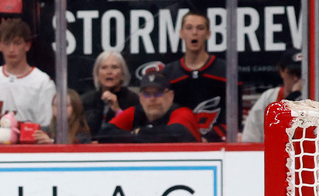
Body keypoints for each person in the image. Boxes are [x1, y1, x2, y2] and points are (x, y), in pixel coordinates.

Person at [161, 10, 238, 142]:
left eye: (200, 28)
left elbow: (234, 118)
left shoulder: (226, 71)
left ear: (208, 34)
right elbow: (161, 115)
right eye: (189, 28)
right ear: (181, 33)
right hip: (178, 145)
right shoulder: (168, 73)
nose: (194, 32)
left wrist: (208, 139)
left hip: (217, 146)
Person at [0, 18, 54, 127]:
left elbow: (47, 127)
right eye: (6, 43)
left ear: (27, 45)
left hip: (29, 142)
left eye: (17, 43)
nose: (11, 49)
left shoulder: (43, 82)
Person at [97, 71, 200, 143]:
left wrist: (139, 133)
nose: (152, 99)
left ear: (170, 96)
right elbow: (105, 134)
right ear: (141, 98)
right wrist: (135, 134)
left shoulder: (182, 112)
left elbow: (176, 134)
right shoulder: (135, 112)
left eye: (158, 93)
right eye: (147, 94)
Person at [242, 48, 303, 143]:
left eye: (301, 74)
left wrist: (297, 96)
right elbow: (250, 139)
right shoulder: (268, 98)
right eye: (292, 73)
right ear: (281, 71)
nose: (296, 79)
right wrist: (293, 97)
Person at [80, 50, 138, 139]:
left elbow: (135, 133)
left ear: (123, 74)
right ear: (97, 75)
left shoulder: (134, 100)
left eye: (114, 67)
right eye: (104, 67)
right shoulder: (86, 101)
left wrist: (117, 110)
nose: (109, 72)